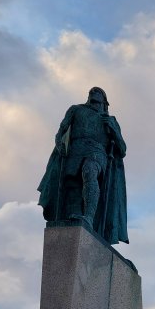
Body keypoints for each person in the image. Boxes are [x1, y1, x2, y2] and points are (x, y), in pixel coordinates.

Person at [38, 87, 128, 245]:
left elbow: (122, 149)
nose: (94, 94)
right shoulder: (76, 110)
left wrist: (113, 130)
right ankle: (76, 218)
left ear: (104, 102)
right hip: (75, 150)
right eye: (92, 95)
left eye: (98, 96)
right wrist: (60, 145)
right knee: (73, 186)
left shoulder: (111, 120)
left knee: (89, 171)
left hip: (97, 152)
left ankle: (89, 217)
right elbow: (61, 131)